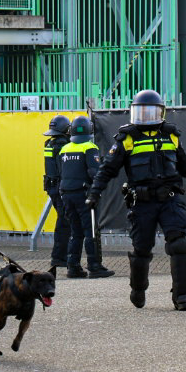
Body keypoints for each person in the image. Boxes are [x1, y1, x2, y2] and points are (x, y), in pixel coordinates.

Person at [90, 90, 186, 310]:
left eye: (151, 111)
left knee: (179, 244)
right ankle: (138, 287)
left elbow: (183, 165)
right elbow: (107, 169)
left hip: (170, 199)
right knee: (142, 249)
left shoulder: (171, 135)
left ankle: (182, 296)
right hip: (142, 202)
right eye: (142, 112)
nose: (147, 116)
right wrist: (94, 194)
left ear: (161, 112)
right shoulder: (127, 138)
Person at [56, 116, 115, 279]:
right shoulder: (90, 147)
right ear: (89, 130)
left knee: (75, 232)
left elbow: (62, 171)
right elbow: (93, 172)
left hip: (67, 194)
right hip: (83, 195)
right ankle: (94, 266)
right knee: (90, 231)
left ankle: (73, 266)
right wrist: (98, 188)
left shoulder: (64, 149)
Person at [42, 115, 72, 269]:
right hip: (60, 187)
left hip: (52, 186)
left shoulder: (49, 142)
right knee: (64, 222)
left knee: (63, 220)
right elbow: (63, 169)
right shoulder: (62, 145)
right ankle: (59, 257)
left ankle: (61, 255)